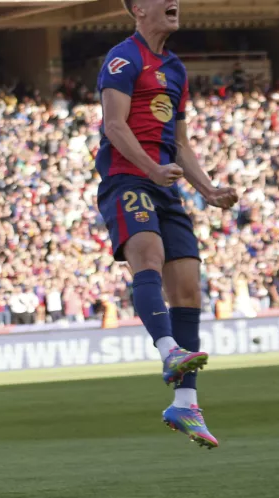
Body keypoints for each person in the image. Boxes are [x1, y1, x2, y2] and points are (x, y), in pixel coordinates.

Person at [96, 0, 239, 449]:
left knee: (189, 288)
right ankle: (168, 350)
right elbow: (114, 126)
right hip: (128, 178)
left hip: (166, 184)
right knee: (149, 256)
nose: (174, 1)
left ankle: (185, 404)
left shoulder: (175, 68)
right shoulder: (123, 58)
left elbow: (179, 142)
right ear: (139, 8)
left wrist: (208, 189)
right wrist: (151, 169)